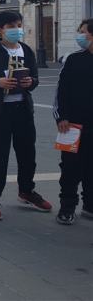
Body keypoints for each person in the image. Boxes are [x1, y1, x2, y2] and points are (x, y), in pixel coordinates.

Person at [0, 10, 51, 221]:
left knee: (27, 154)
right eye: (11, 26)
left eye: (18, 25)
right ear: (0, 29)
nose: (16, 29)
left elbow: (34, 77)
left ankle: (26, 190)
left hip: (22, 109)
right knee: (0, 157)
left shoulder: (26, 50)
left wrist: (30, 83)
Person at [53, 18, 93, 225]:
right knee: (70, 168)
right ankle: (67, 207)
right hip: (72, 125)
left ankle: (90, 204)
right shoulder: (74, 60)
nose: (80, 35)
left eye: (83, 31)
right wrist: (62, 117)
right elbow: (61, 91)